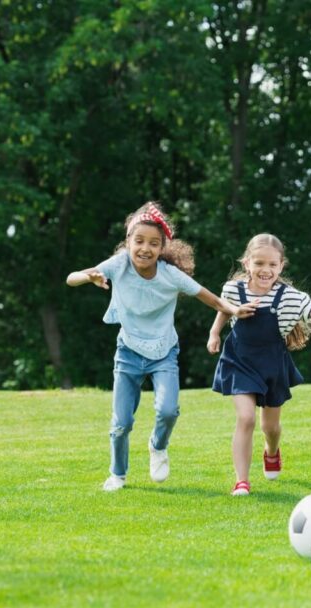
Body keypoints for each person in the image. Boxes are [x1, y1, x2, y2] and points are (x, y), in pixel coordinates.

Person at [67, 201, 255, 492]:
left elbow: (211, 298)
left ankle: (158, 446)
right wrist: (89, 276)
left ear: (162, 248)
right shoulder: (119, 264)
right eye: (139, 241)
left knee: (168, 410)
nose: (145, 248)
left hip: (164, 352)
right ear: (127, 242)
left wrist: (233, 309)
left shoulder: (170, 274)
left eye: (154, 243)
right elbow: (72, 278)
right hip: (128, 352)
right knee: (121, 423)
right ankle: (117, 474)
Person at [208, 233, 311, 496]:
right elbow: (223, 308)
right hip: (239, 361)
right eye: (259, 263)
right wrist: (214, 332)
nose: (266, 270)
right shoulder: (233, 289)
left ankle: (272, 451)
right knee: (245, 417)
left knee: (270, 427)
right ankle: (242, 481)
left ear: (281, 266)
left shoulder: (290, 297)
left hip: (273, 364)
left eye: (272, 265)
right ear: (247, 263)